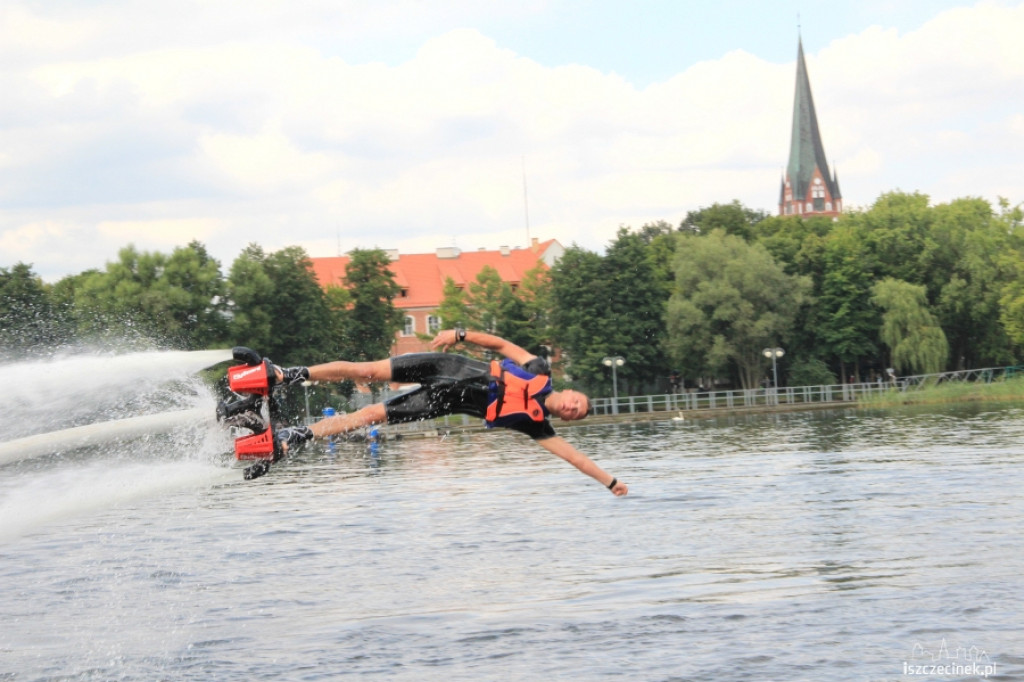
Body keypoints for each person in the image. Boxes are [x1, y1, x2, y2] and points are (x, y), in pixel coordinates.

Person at [266, 329, 628, 496]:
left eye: (575, 414)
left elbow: (577, 459)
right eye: (576, 402)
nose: (572, 408)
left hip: (442, 404)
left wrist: (610, 483)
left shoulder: (537, 427)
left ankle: (298, 435)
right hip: (445, 366)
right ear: (568, 392)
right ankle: (288, 374)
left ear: (566, 419)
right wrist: (460, 334)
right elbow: (501, 344)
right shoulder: (538, 368)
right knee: (367, 371)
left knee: (372, 416)